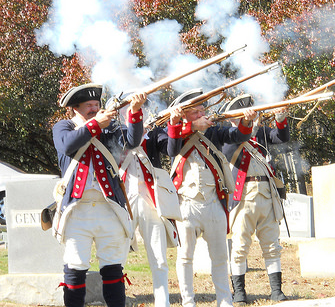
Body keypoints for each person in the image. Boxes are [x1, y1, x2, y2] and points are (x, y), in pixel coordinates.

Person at [52, 83, 147, 307]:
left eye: (96, 105)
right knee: (75, 269)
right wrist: (95, 124)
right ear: (75, 108)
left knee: (113, 267)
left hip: (109, 208)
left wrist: (134, 111)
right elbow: (67, 145)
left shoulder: (110, 126)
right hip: (77, 210)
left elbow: (132, 142)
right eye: (89, 106)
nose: (94, 109)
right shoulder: (63, 127)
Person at [168, 88, 257, 307]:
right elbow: (171, 148)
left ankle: (225, 301)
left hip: (213, 201)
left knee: (219, 258)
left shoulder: (214, 131)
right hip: (185, 202)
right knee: (185, 257)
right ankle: (188, 302)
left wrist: (246, 122)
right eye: (195, 112)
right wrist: (188, 126)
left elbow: (238, 136)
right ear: (185, 114)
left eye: (202, 110)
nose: (201, 115)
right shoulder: (173, 130)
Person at [221, 94, 289, 304]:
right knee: (240, 246)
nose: (254, 115)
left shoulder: (261, 133)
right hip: (243, 197)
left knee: (272, 244)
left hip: (267, 193)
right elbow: (232, 149)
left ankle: (276, 291)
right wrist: (245, 124)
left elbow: (282, 137)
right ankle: (239, 292)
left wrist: (281, 117)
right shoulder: (229, 135)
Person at [116, 104, 184, 307]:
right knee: (117, 258)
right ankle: (116, 299)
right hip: (122, 201)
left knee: (159, 259)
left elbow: (172, 149)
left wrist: (173, 123)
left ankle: (162, 303)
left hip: (150, 201)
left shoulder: (153, 132)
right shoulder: (113, 130)